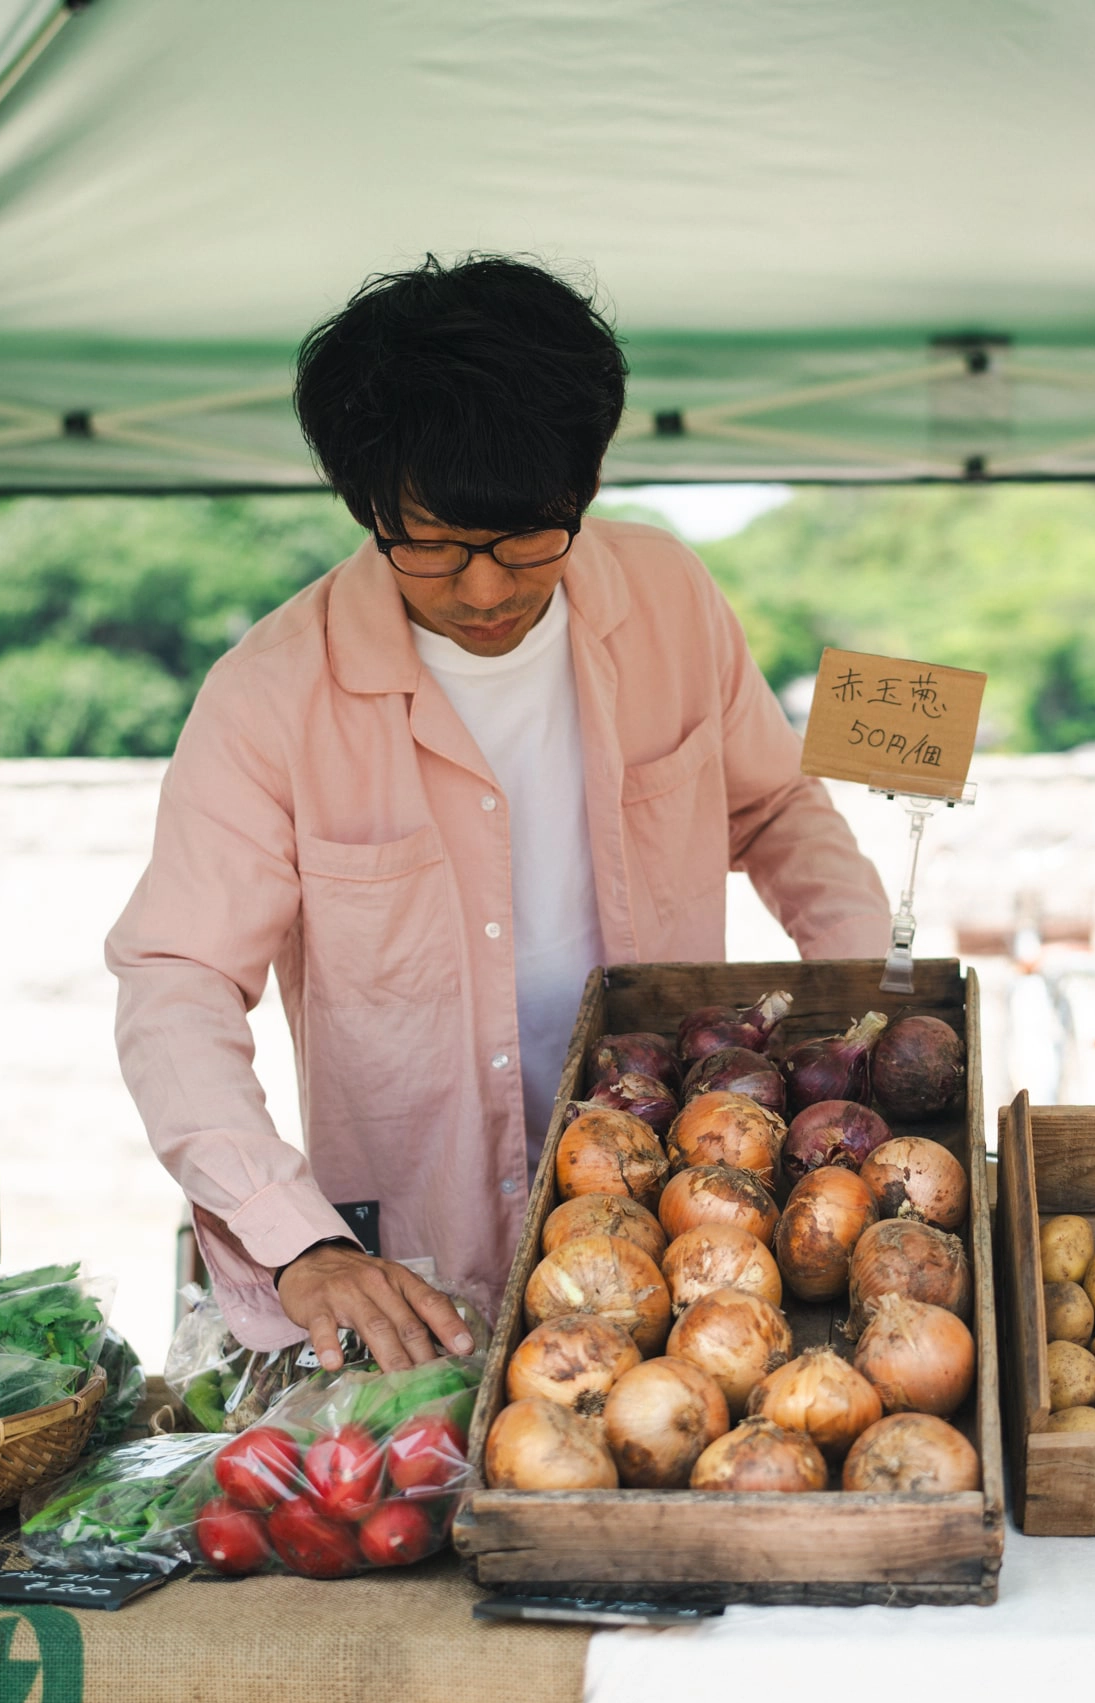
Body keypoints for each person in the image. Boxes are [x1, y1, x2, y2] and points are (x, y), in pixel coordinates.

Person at [107, 255, 891, 1372]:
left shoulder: (668, 599)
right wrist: (294, 1242)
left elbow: (776, 810)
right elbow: (176, 979)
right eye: (429, 542)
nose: (485, 589)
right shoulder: (270, 694)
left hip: (694, 1225)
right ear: (364, 506)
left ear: (587, 484)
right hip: (422, 1267)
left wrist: (865, 1011)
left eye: (527, 536)